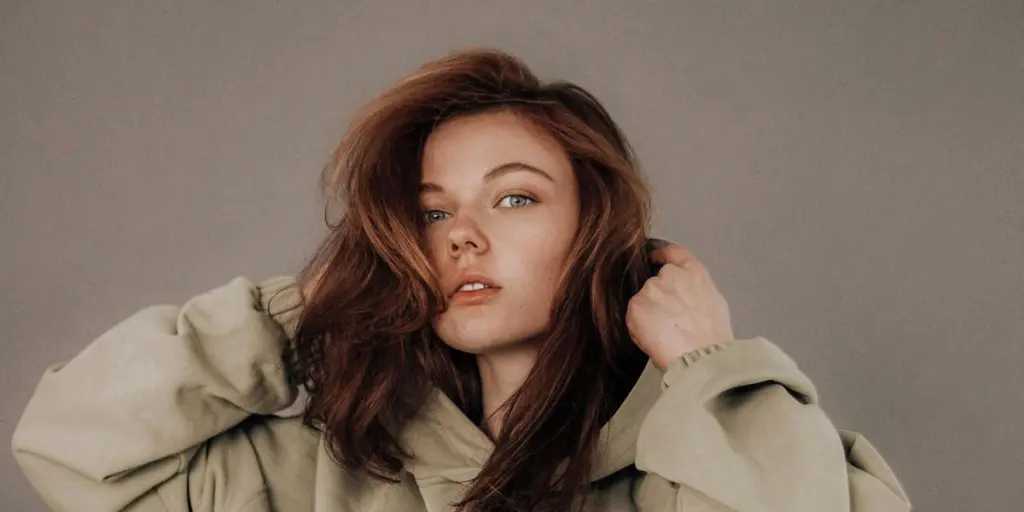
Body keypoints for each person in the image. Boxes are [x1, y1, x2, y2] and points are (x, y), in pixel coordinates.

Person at [11, 48, 912, 512]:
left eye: (515, 199)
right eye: (433, 212)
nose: (463, 239)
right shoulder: (321, 474)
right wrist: (314, 309)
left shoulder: (699, 469)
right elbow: (74, 446)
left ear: (596, 226)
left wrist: (711, 370)